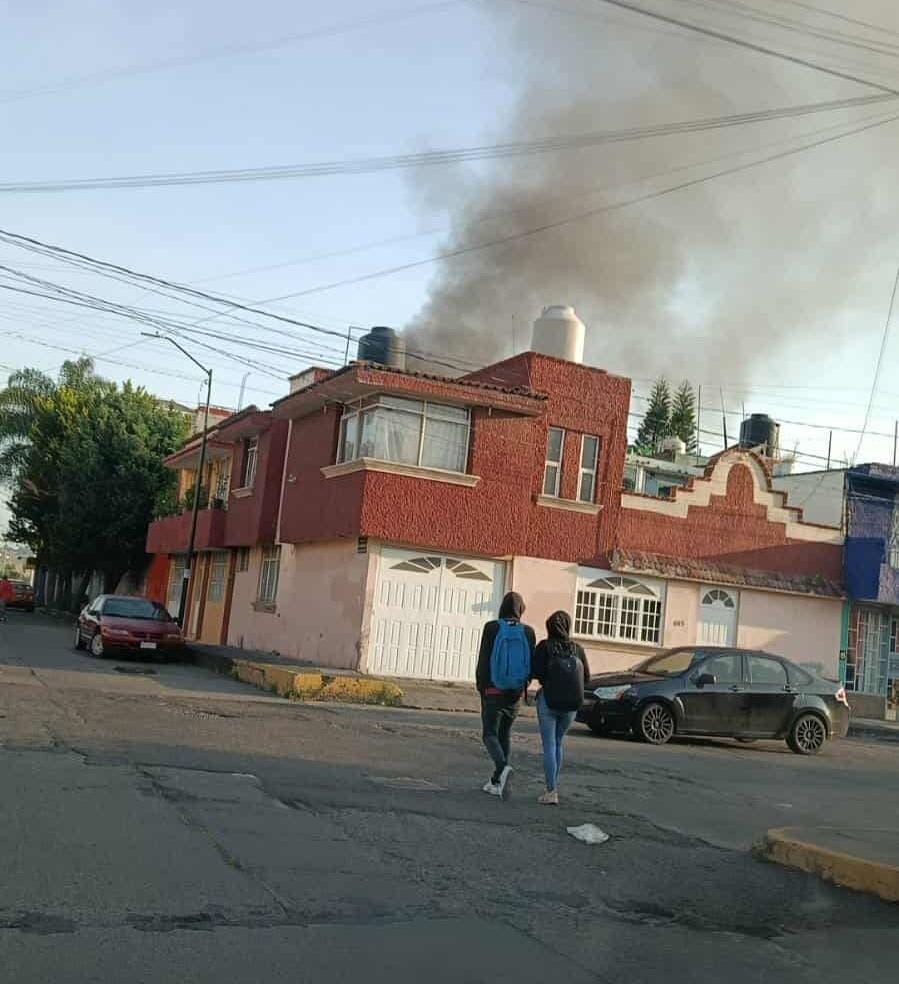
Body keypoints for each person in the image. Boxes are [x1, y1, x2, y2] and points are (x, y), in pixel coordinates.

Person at [476, 592, 536, 800]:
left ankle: (502, 768)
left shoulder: (492, 627)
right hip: (515, 693)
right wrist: (522, 686)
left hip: (493, 691)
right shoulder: (528, 632)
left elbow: (484, 659)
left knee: (489, 734)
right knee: (504, 733)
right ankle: (496, 781)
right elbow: (531, 664)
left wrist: (482, 687)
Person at [530, 611, 590, 805]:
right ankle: (552, 787)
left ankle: (551, 790)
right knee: (558, 743)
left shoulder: (544, 647)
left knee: (549, 744)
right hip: (571, 705)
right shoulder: (577, 649)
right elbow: (587, 678)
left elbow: (536, 672)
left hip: (548, 701)